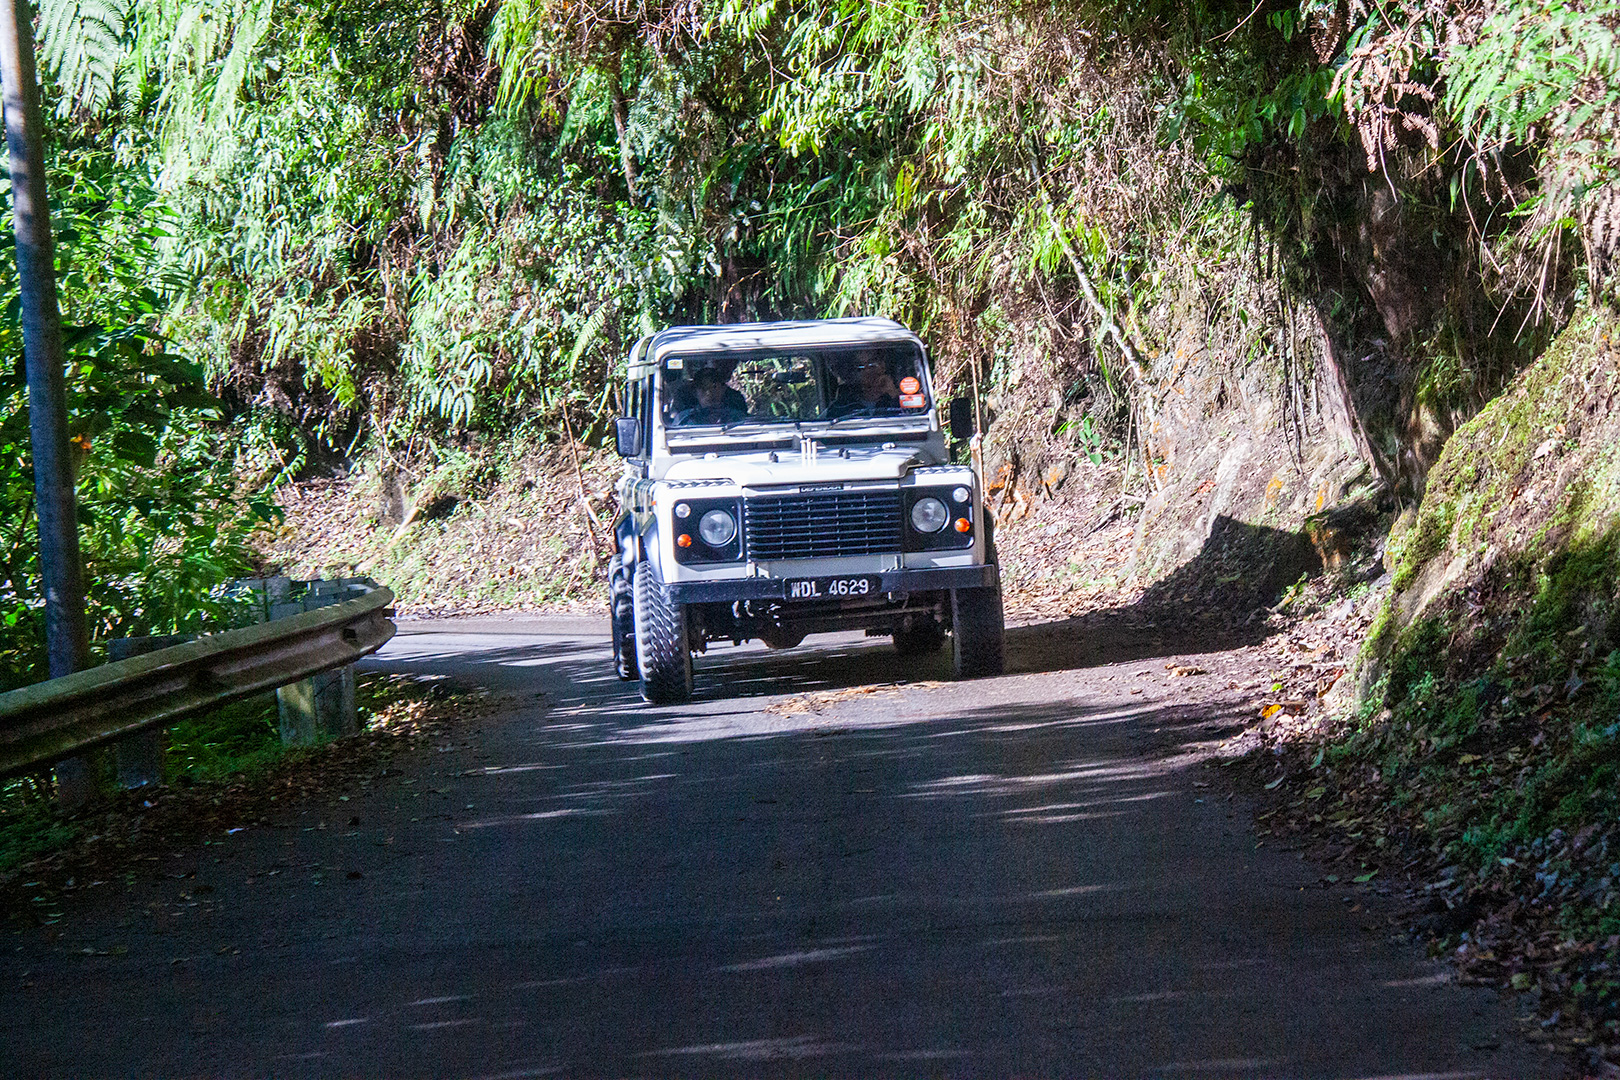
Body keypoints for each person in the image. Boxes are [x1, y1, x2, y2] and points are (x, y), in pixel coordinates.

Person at [670, 364, 749, 425]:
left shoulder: (738, 418)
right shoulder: (684, 420)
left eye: (714, 387)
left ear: (723, 389)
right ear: (695, 393)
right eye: (703, 389)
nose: (709, 393)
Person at [829, 350, 900, 417]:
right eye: (860, 367)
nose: (867, 371)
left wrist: (893, 394)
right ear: (854, 373)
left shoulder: (901, 398)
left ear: (882, 366)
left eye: (872, 365)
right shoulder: (841, 406)